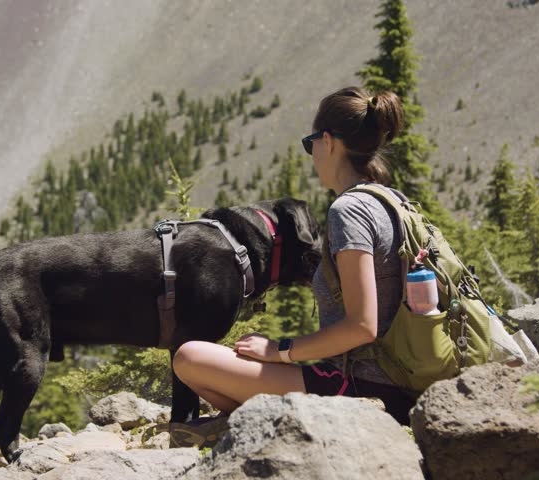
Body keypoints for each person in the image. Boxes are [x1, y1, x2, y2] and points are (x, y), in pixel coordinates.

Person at [168, 86, 419, 448]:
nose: (312, 154)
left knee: (190, 357)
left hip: (364, 388)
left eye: (310, 143)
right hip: (402, 379)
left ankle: (254, 429)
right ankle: (248, 424)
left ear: (329, 142)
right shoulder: (394, 200)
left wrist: (281, 349)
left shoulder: (349, 211)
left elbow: (362, 327)